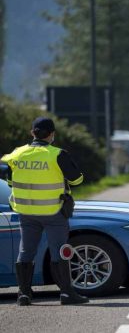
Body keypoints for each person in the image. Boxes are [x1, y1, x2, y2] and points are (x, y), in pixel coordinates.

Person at [1, 117, 89, 306]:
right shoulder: (57, 154)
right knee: (59, 251)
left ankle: (24, 294)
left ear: (33, 133)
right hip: (53, 211)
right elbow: (77, 180)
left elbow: (10, 182)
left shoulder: (17, 154)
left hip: (26, 211)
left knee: (26, 251)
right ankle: (66, 293)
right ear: (51, 134)